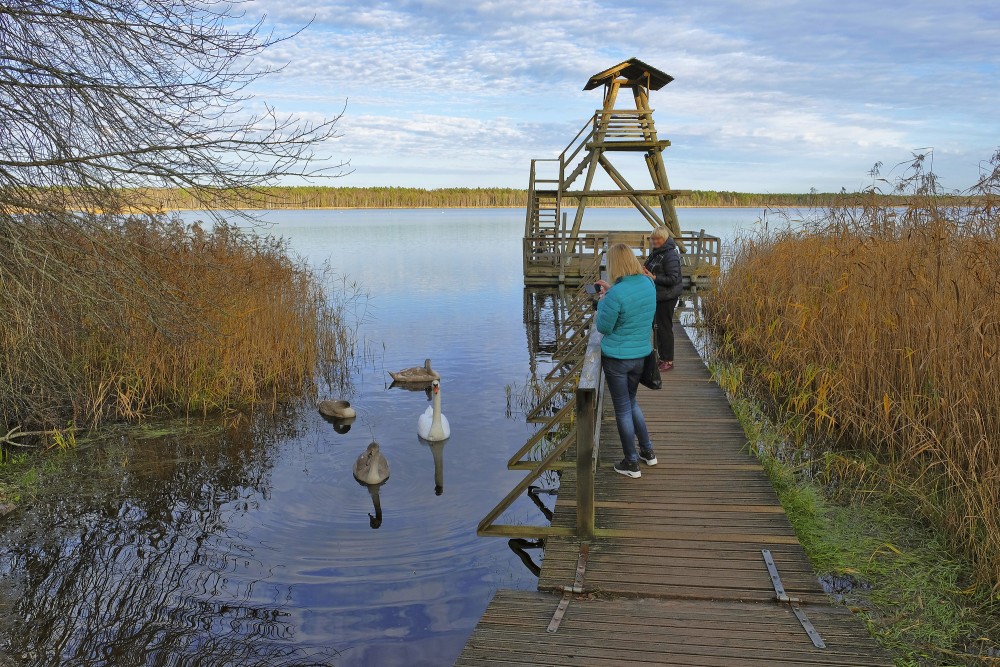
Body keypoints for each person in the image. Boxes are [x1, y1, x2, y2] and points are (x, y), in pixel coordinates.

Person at [594, 243, 657, 479]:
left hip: (618, 360)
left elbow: (603, 326)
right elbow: (632, 304)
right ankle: (648, 452)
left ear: (614, 264)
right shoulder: (648, 284)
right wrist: (611, 293)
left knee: (622, 409)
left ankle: (631, 463)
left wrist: (603, 301)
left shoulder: (616, 295)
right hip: (641, 355)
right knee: (632, 403)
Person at [642, 226, 683, 372]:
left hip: (668, 296)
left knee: (665, 328)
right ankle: (662, 358)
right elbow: (650, 267)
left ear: (664, 239)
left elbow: (673, 278)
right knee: (658, 327)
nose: (654, 241)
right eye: (652, 239)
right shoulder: (657, 252)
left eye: (657, 239)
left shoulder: (670, 255)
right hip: (658, 295)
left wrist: (654, 277)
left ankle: (668, 361)